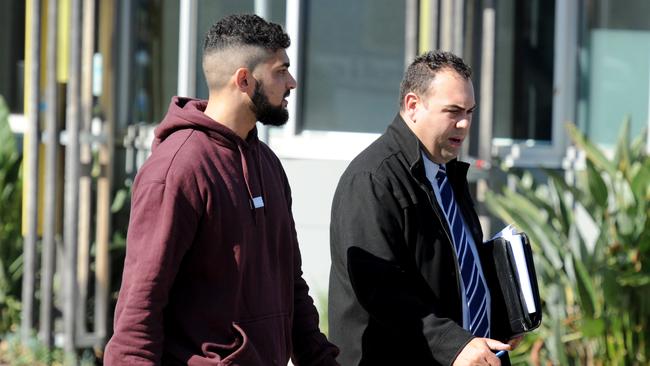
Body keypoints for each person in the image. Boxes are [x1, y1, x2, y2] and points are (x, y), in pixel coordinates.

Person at [104, 14, 339, 366]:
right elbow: (140, 307)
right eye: (280, 71)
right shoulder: (177, 170)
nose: (291, 82)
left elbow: (290, 285)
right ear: (244, 80)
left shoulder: (268, 165)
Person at [328, 51, 521, 366]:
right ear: (413, 106)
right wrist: (454, 345)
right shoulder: (373, 178)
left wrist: (501, 311)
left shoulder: (445, 172)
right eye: (453, 111)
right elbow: (381, 289)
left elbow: (452, 269)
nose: (464, 123)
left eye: (470, 112)